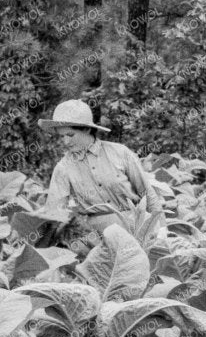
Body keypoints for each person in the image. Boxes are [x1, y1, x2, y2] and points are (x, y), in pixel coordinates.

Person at [39, 99, 163, 236]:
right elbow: (54, 213)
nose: (66, 142)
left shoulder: (121, 153)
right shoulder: (63, 168)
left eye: (70, 135)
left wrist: (162, 230)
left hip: (137, 229)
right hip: (96, 238)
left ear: (86, 129)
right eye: (62, 136)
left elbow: (147, 193)